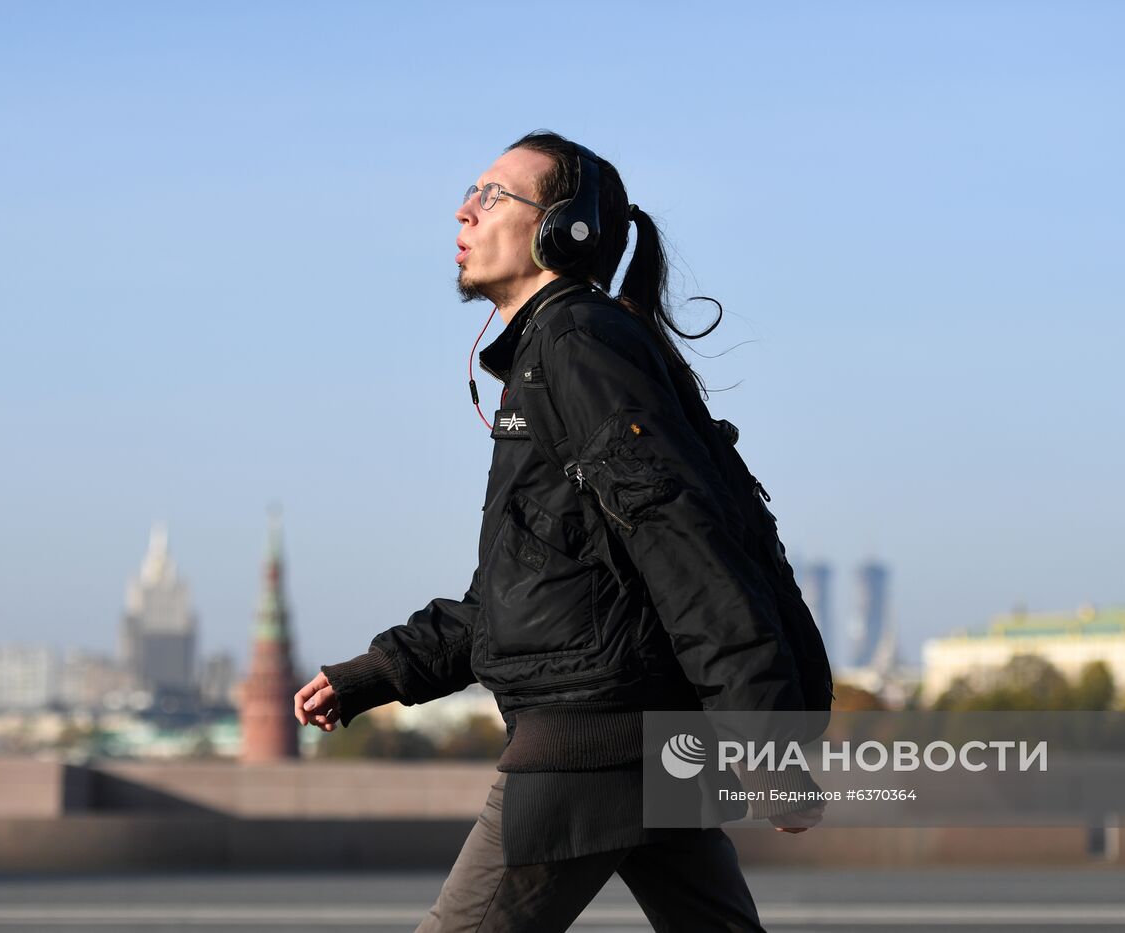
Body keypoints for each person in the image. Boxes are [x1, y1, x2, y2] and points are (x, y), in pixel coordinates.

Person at [294, 130, 823, 933]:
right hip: (639, 731)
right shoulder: (553, 354)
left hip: (590, 736)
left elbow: (679, 532)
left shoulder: (575, 343)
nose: (465, 212)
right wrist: (378, 671)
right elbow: (530, 592)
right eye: (470, 194)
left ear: (562, 231)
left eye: (492, 196)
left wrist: (762, 736)